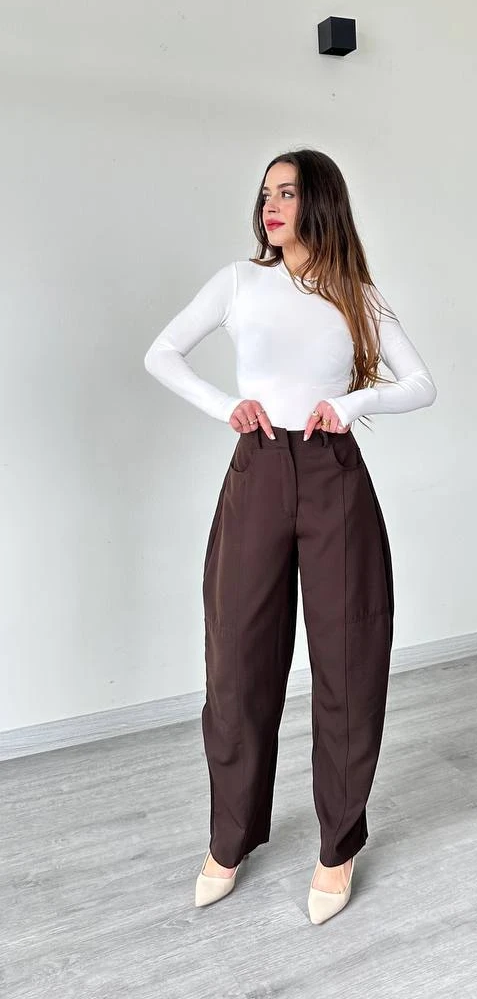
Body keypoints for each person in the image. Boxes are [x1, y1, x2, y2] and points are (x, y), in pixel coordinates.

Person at [143, 147, 437, 923]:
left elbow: (422, 384)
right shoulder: (239, 282)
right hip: (258, 469)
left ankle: (338, 846)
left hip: (334, 474)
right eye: (266, 192)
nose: (271, 205)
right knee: (237, 660)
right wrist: (225, 408)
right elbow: (160, 353)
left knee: (349, 659)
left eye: (289, 192)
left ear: (321, 203)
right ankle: (229, 839)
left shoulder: (354, 293)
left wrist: (352, 404)